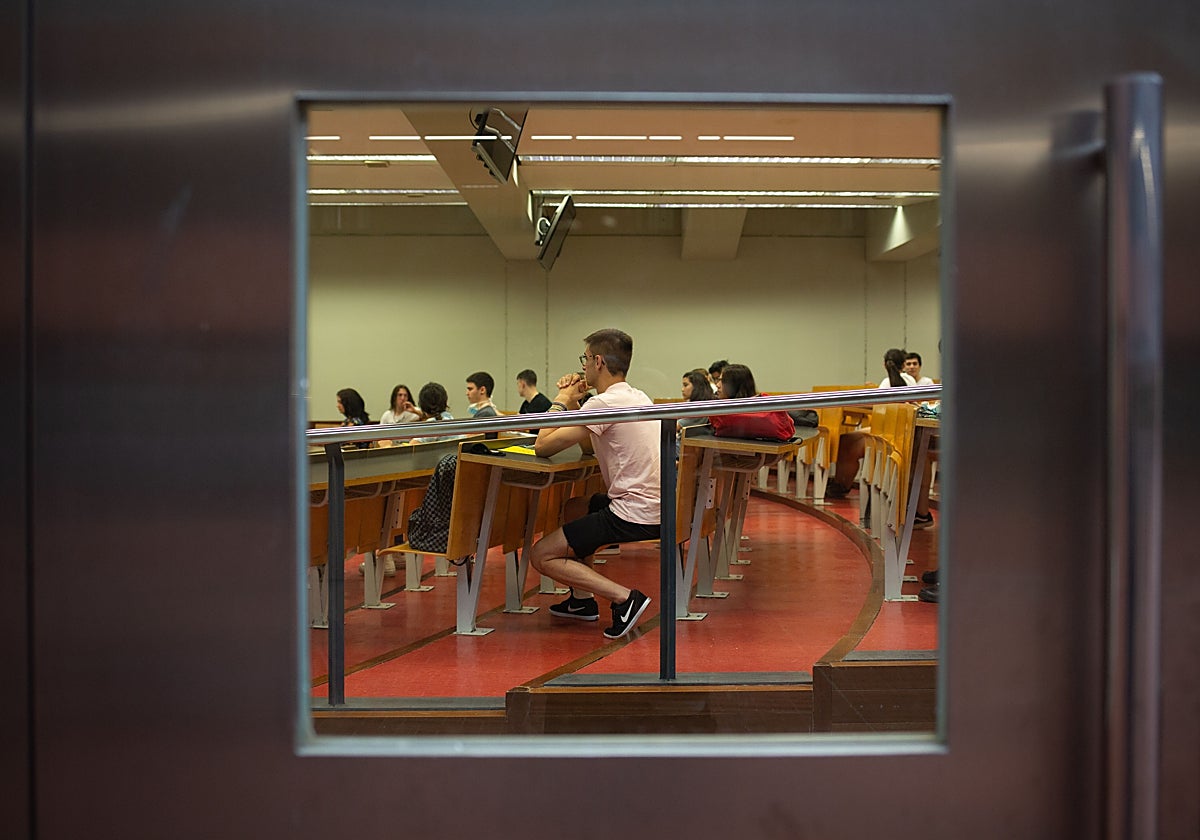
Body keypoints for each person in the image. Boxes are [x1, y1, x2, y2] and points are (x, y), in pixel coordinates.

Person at [528, 328, 659, 639]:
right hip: (656, 504)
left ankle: (625, 599)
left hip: (634, 513)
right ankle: (582, 600)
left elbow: (542, 446)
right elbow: (589, 444)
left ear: (598, 361)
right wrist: (577, 404)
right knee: (575, 507)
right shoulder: (638, 396)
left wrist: (560, 399)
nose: (582, 367)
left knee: (541, 555)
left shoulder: (604, 404)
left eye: (584, 359)